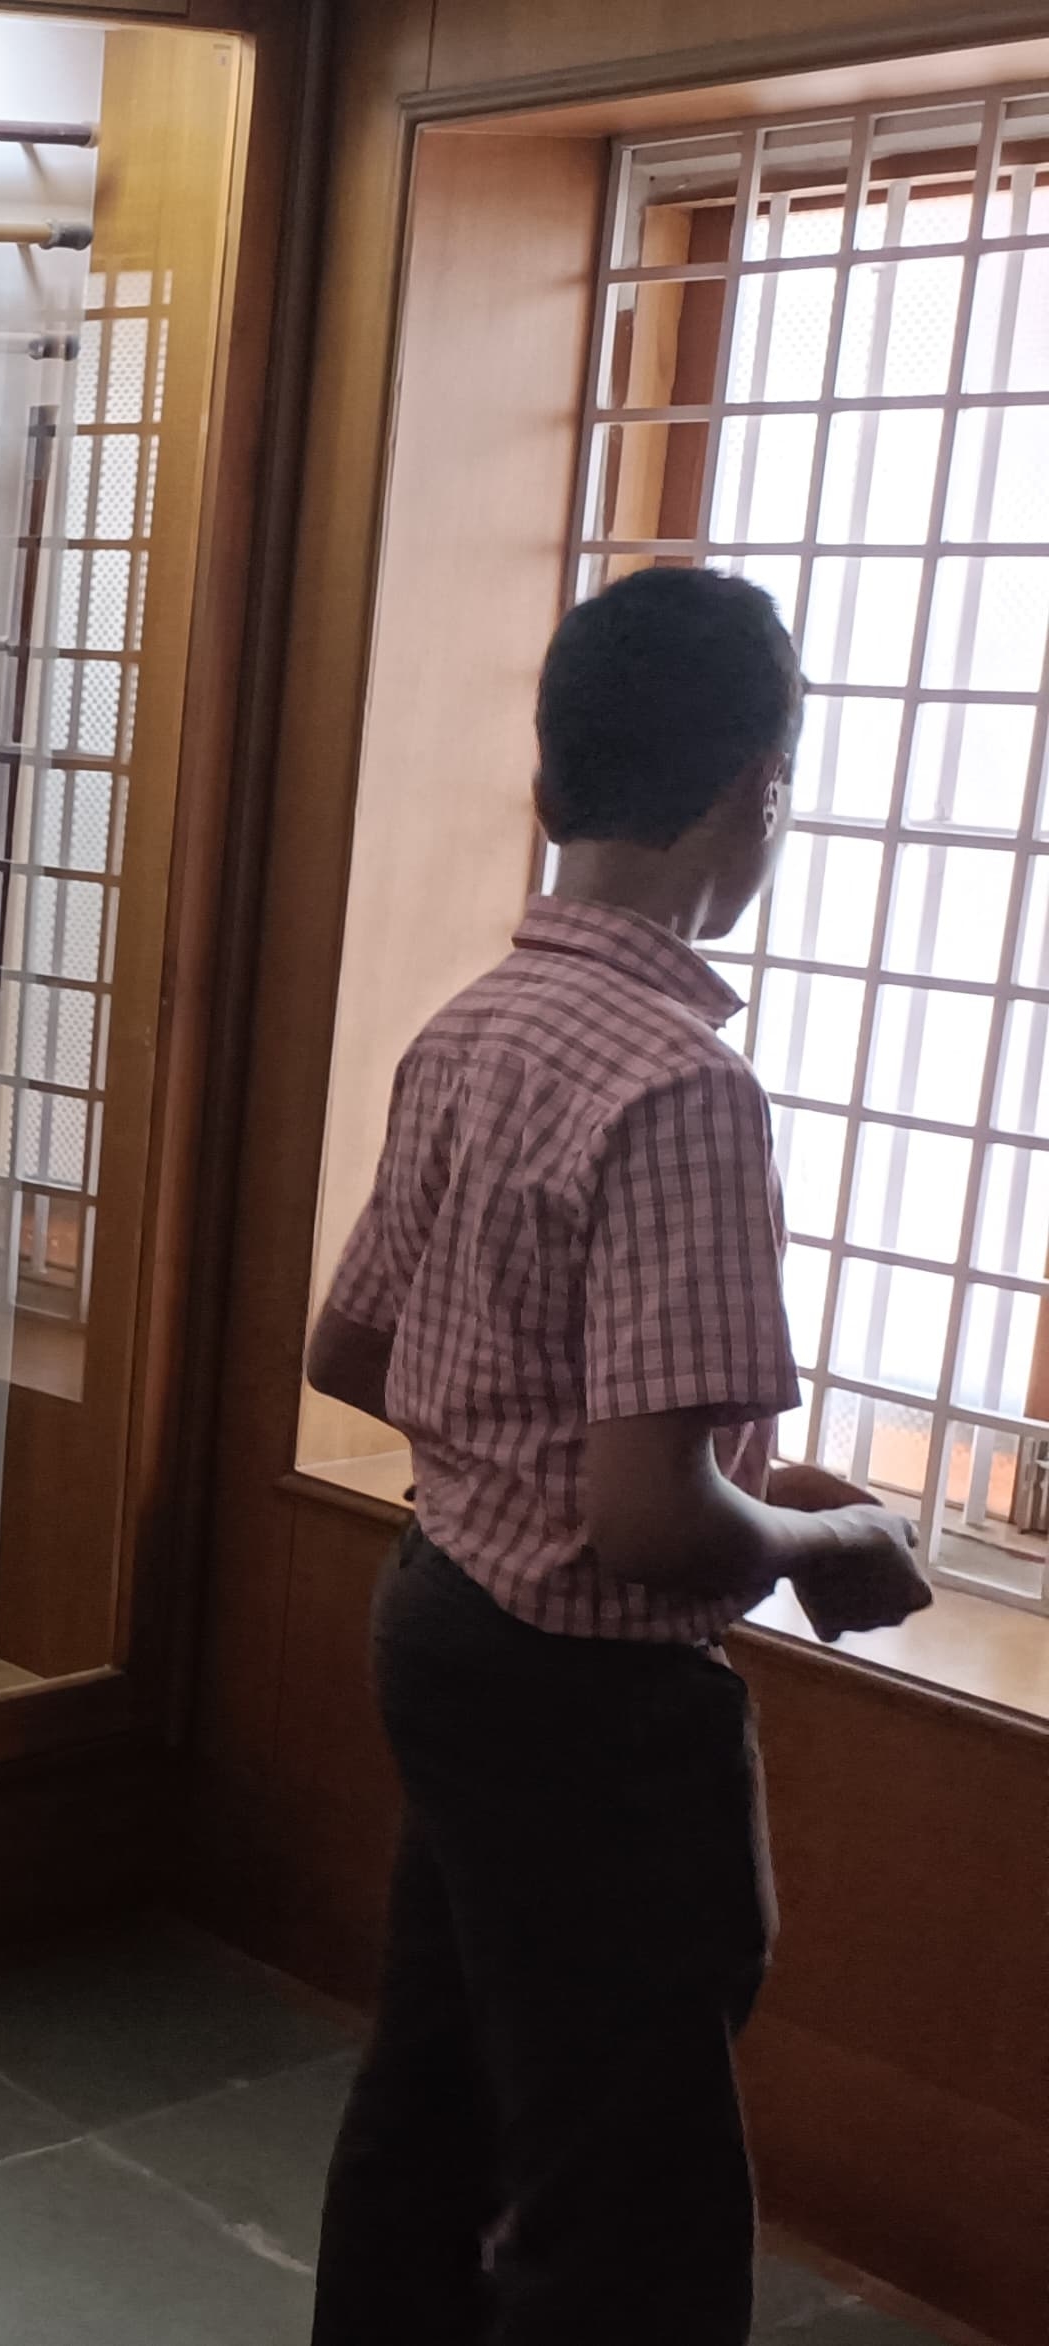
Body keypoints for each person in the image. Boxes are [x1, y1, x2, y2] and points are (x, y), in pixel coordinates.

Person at [301, 566, 934, 2346]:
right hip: (592, 1702)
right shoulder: (680, 1086)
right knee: (629, 2194)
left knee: (434, 2095)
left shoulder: (474, 1026)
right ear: (759, 793)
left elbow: (351, 1348)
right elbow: (651, 1524)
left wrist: (591, 1465)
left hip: (440, 1618)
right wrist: (821, 1539)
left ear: (548, 780)